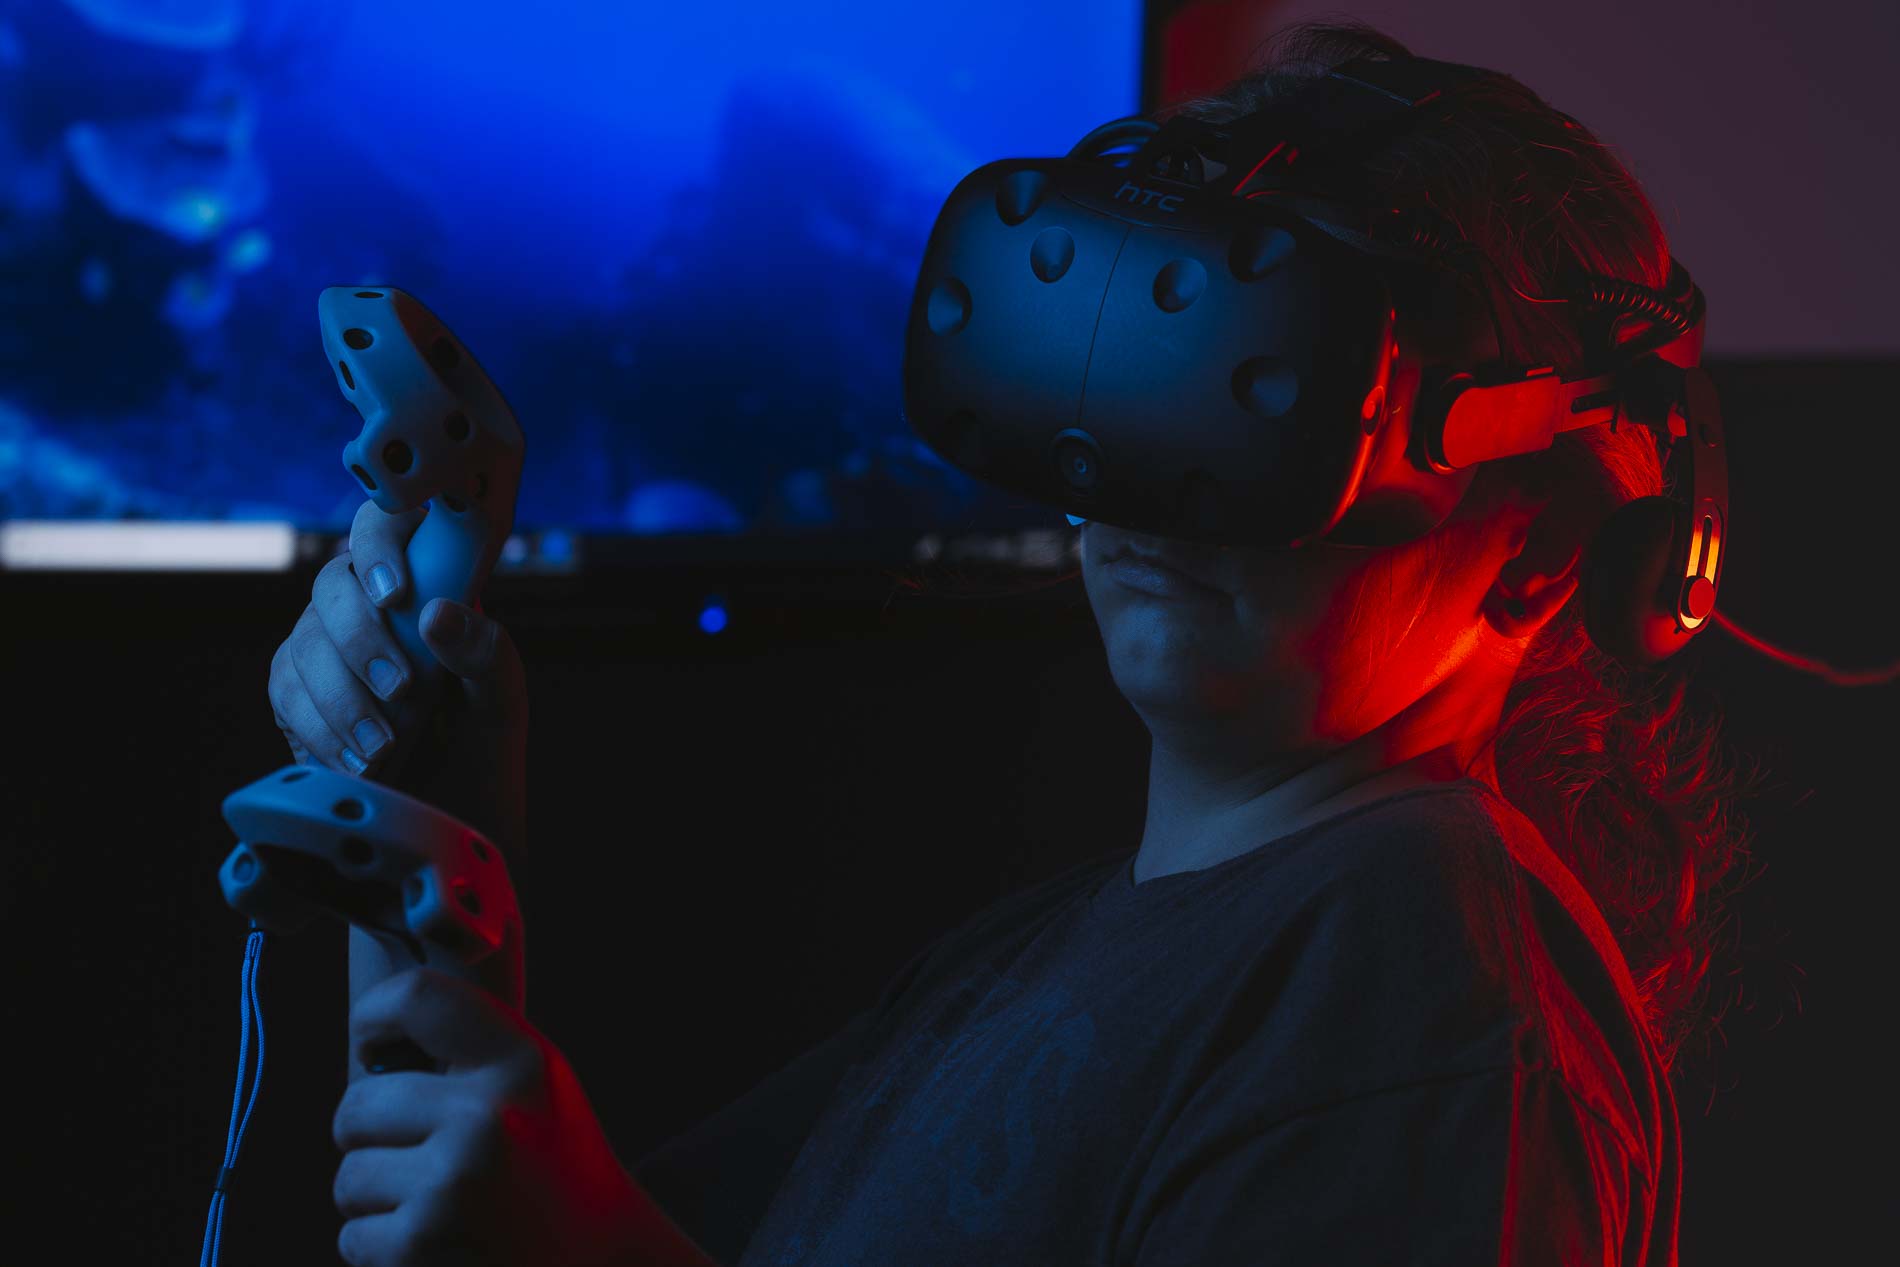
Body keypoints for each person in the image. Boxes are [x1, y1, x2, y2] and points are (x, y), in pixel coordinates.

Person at [267, 21, 1748, 1267]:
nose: (1149, 491)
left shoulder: (1408, 983)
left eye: (1259, 402)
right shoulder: (1073, 950)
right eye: (1129, 367)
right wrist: (425, 809)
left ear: (1542, 548)